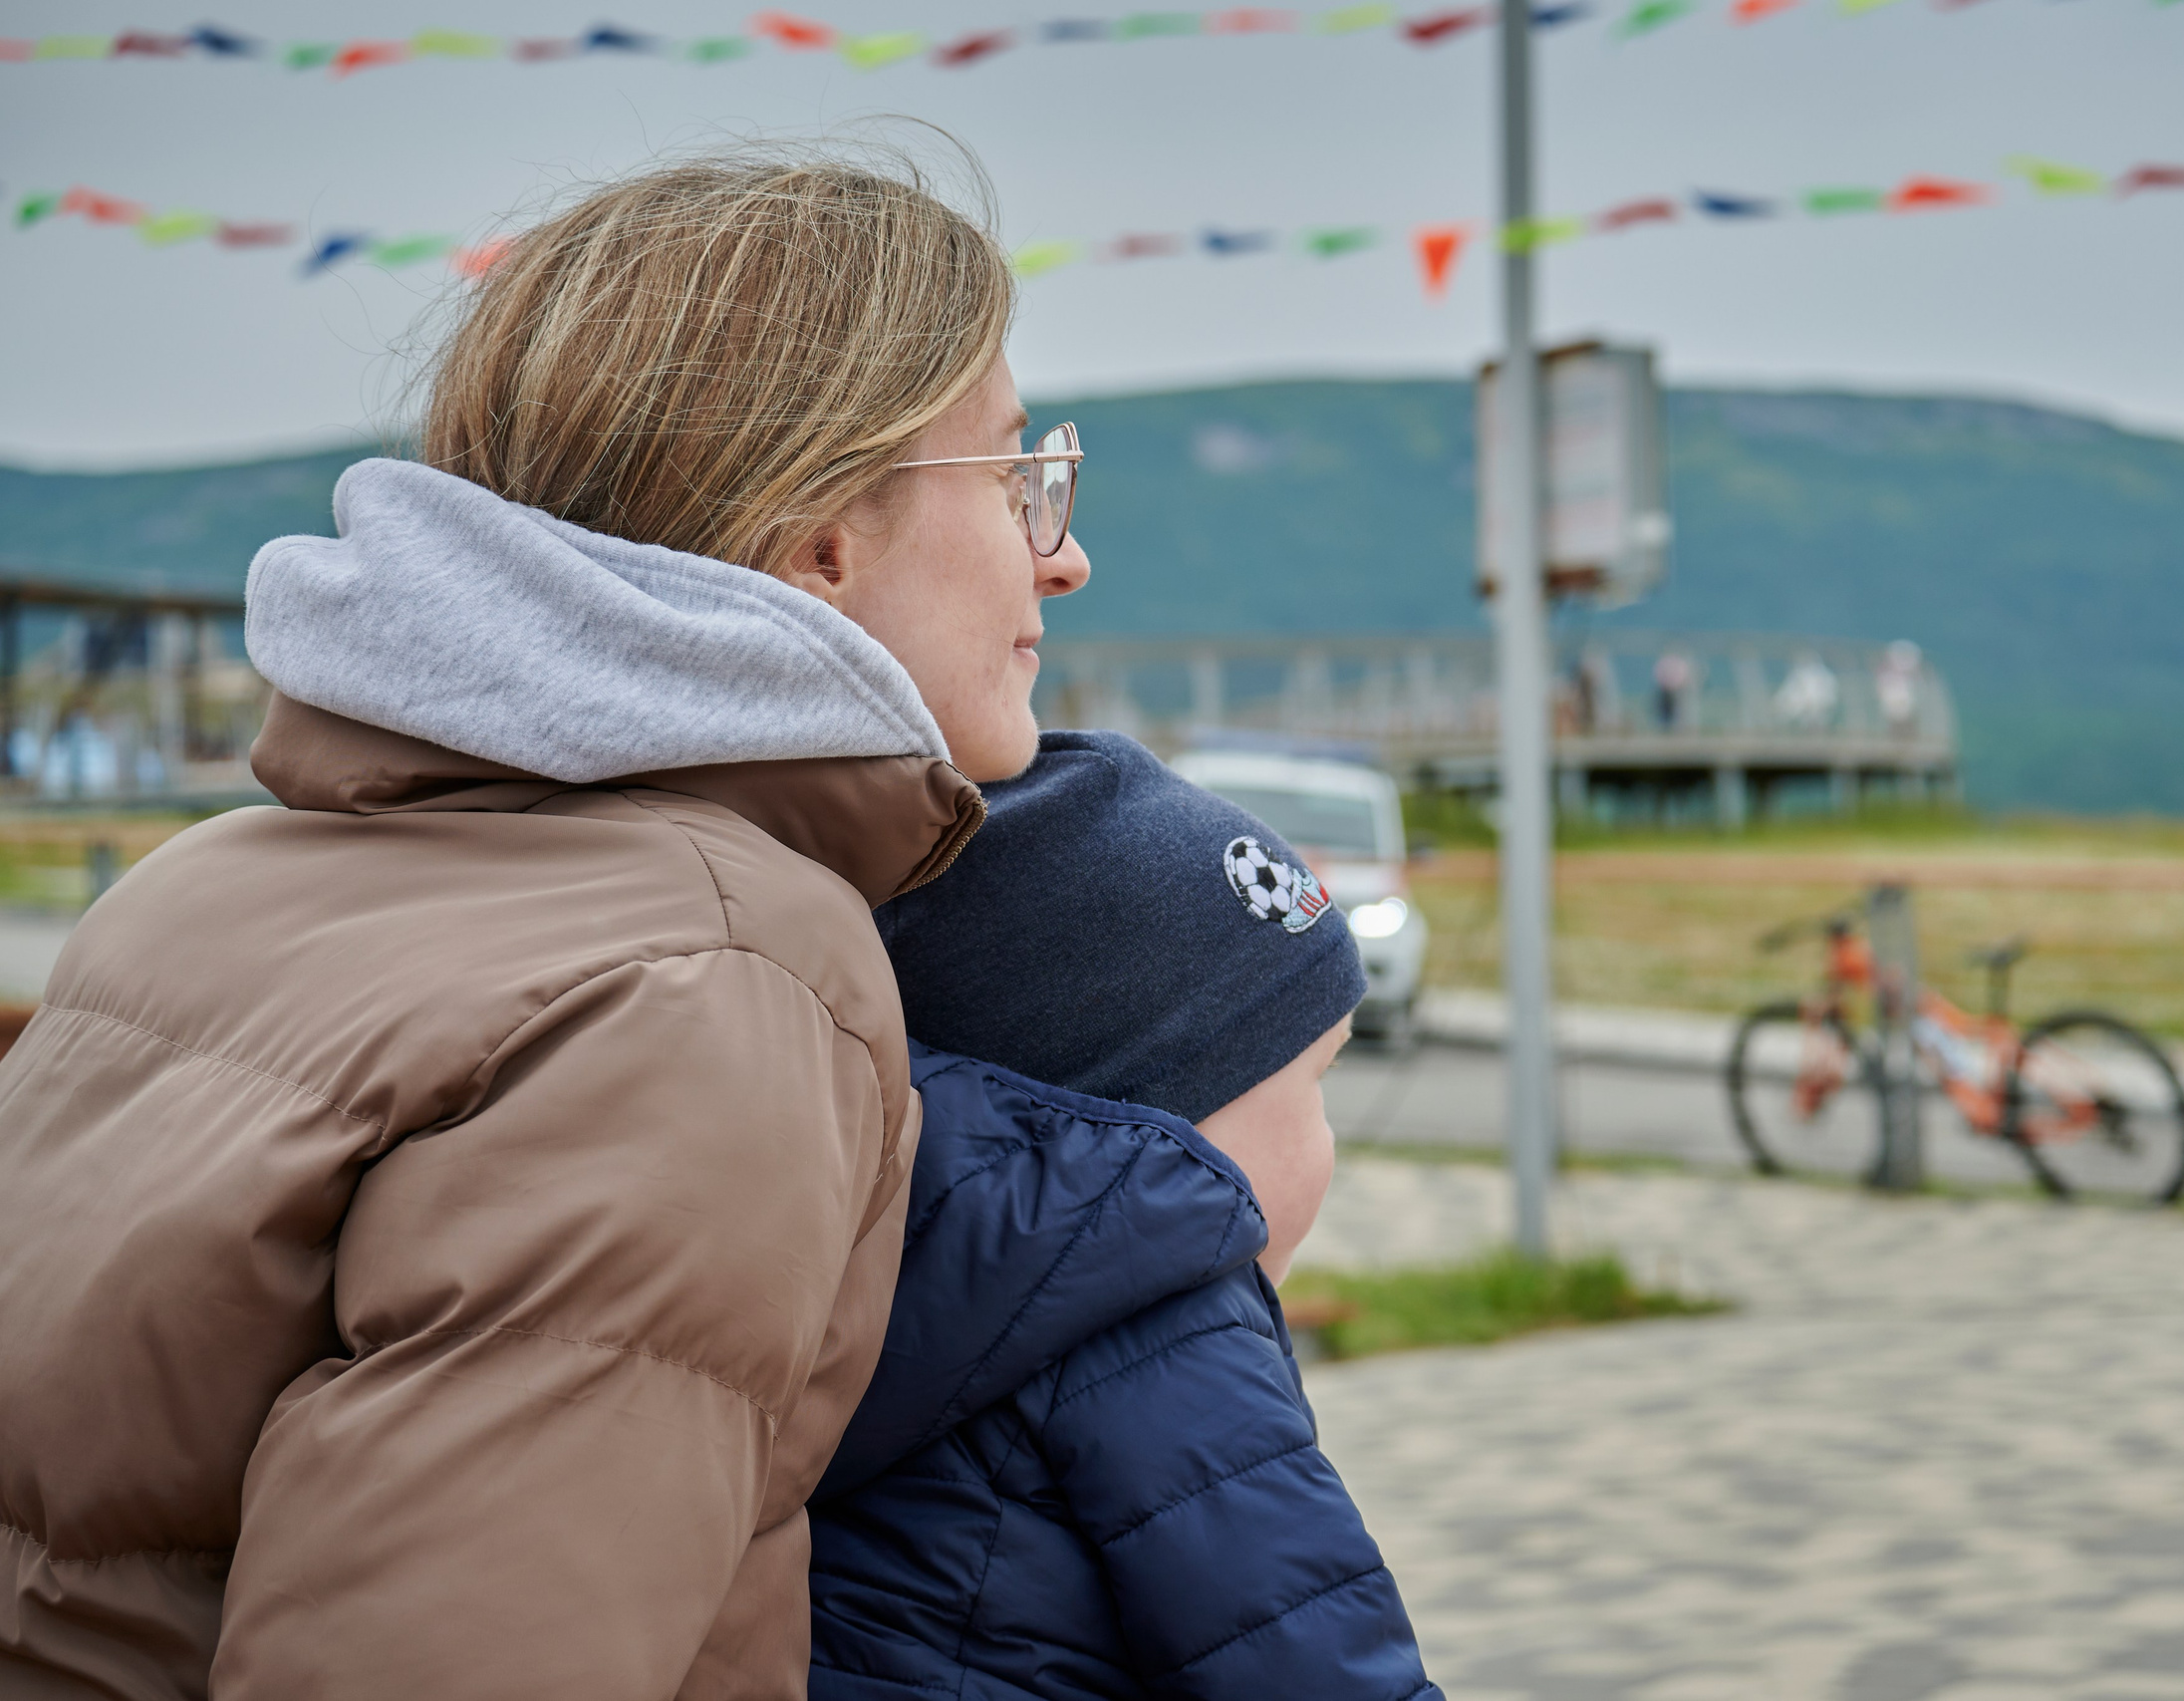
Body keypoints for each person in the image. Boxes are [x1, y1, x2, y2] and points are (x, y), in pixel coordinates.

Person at [0, 145, 1088, 1697]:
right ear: (819, 542)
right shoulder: (706, 978)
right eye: (1012, 477)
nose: (1063, 548)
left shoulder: (204, 878)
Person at [806, 731, 1442, 1700]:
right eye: (1314, 1085)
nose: (1327, 1144)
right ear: (1148, 1134)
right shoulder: (1166, 1342)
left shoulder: (852, 1297)